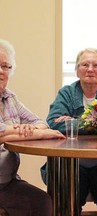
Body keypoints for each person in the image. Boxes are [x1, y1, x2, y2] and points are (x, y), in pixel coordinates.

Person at [42, 48, 97, 216]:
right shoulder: (67, 92)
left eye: (96, 65)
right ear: (77, 70)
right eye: (85, 64)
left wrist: (73, 122)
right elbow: (53, 124)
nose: (90, 69)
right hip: (72, 162)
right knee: (66, 189)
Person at [0, 39, 65, 216]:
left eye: (6, 66)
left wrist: (32, 130)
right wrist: (44, 134)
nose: (1, 71)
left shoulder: (10, 97)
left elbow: (40, 121)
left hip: (8, 181)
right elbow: (2, 133)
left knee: (43, 202)